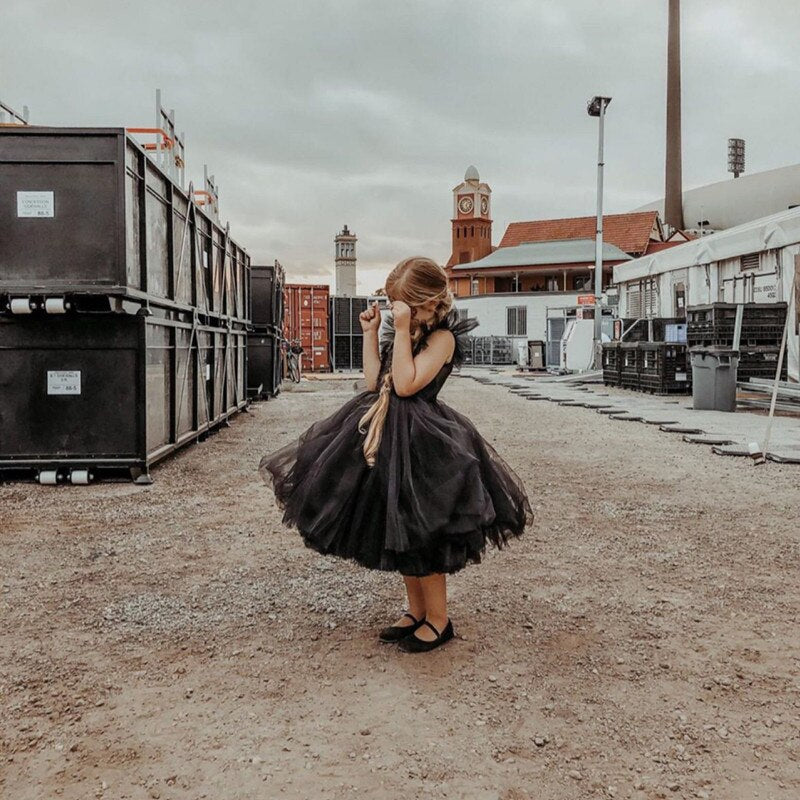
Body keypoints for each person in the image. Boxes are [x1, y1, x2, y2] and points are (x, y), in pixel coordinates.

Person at [259, 256, 533, 653]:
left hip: (422, 442)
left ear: (429, 302)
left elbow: (406, 385)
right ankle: (415, 610)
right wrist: (372, 333)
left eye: (405, 304)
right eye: (393, 305)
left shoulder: (443, 339)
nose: (396, 311)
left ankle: (438, 618)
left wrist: (402, 330)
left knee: (425, 531)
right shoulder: (405, 332)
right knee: (398, 527)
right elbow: (376, 381)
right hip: (388, 435)